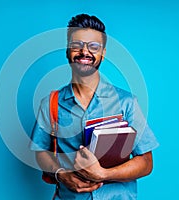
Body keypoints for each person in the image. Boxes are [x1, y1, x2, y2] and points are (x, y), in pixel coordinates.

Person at [29, 13, 159, 200]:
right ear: (67, 50)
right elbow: (41, 151)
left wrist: (103, 174)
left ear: (103, 53)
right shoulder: (50, 104)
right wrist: (61, 175)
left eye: (93, 46)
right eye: (77, 45)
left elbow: (146, 162)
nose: (85, 52)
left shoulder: (127, 103)